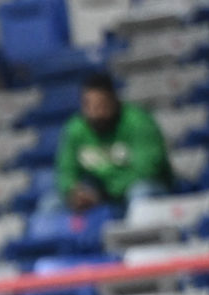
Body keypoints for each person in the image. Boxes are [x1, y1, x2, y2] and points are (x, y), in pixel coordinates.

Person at [56, 70, 171, 212]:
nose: (95, 113)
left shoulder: (138, 122)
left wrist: (105, 193)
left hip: (140, 188)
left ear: (114, 100)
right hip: (97, 192)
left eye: (101, 105)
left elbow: (147, 170)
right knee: (52, 203)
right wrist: (74, 191)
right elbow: (66, 171)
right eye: (89, 106)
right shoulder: (75, 129)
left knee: (141, 193)